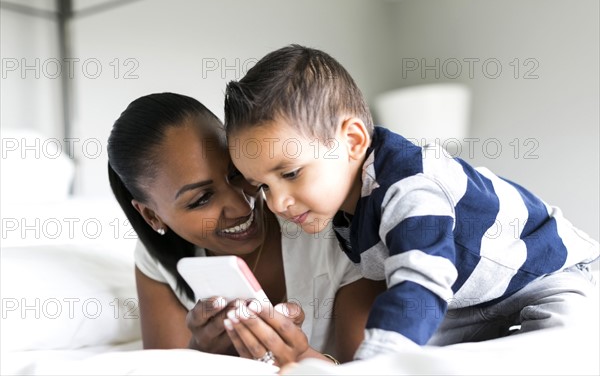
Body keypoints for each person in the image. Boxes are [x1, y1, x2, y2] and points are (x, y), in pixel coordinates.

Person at [223, 44, 600, 360]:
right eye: (264, 187)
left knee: (562, 343)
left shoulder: (410, 185)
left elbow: (420, 279)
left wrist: (377, 364)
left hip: (549, 274)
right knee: (418, 356)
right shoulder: (342, 211)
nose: (277, 203)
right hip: (466, 301)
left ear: (353, 141)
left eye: (289, 174)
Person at [106, 92, 385, 366]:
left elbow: (373, 370)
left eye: (237, 173)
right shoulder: (157, 257)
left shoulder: (334, 225)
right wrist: (200, 353)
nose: (242, 207)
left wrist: (301, 361)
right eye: (202, 199)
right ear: (152, 216)